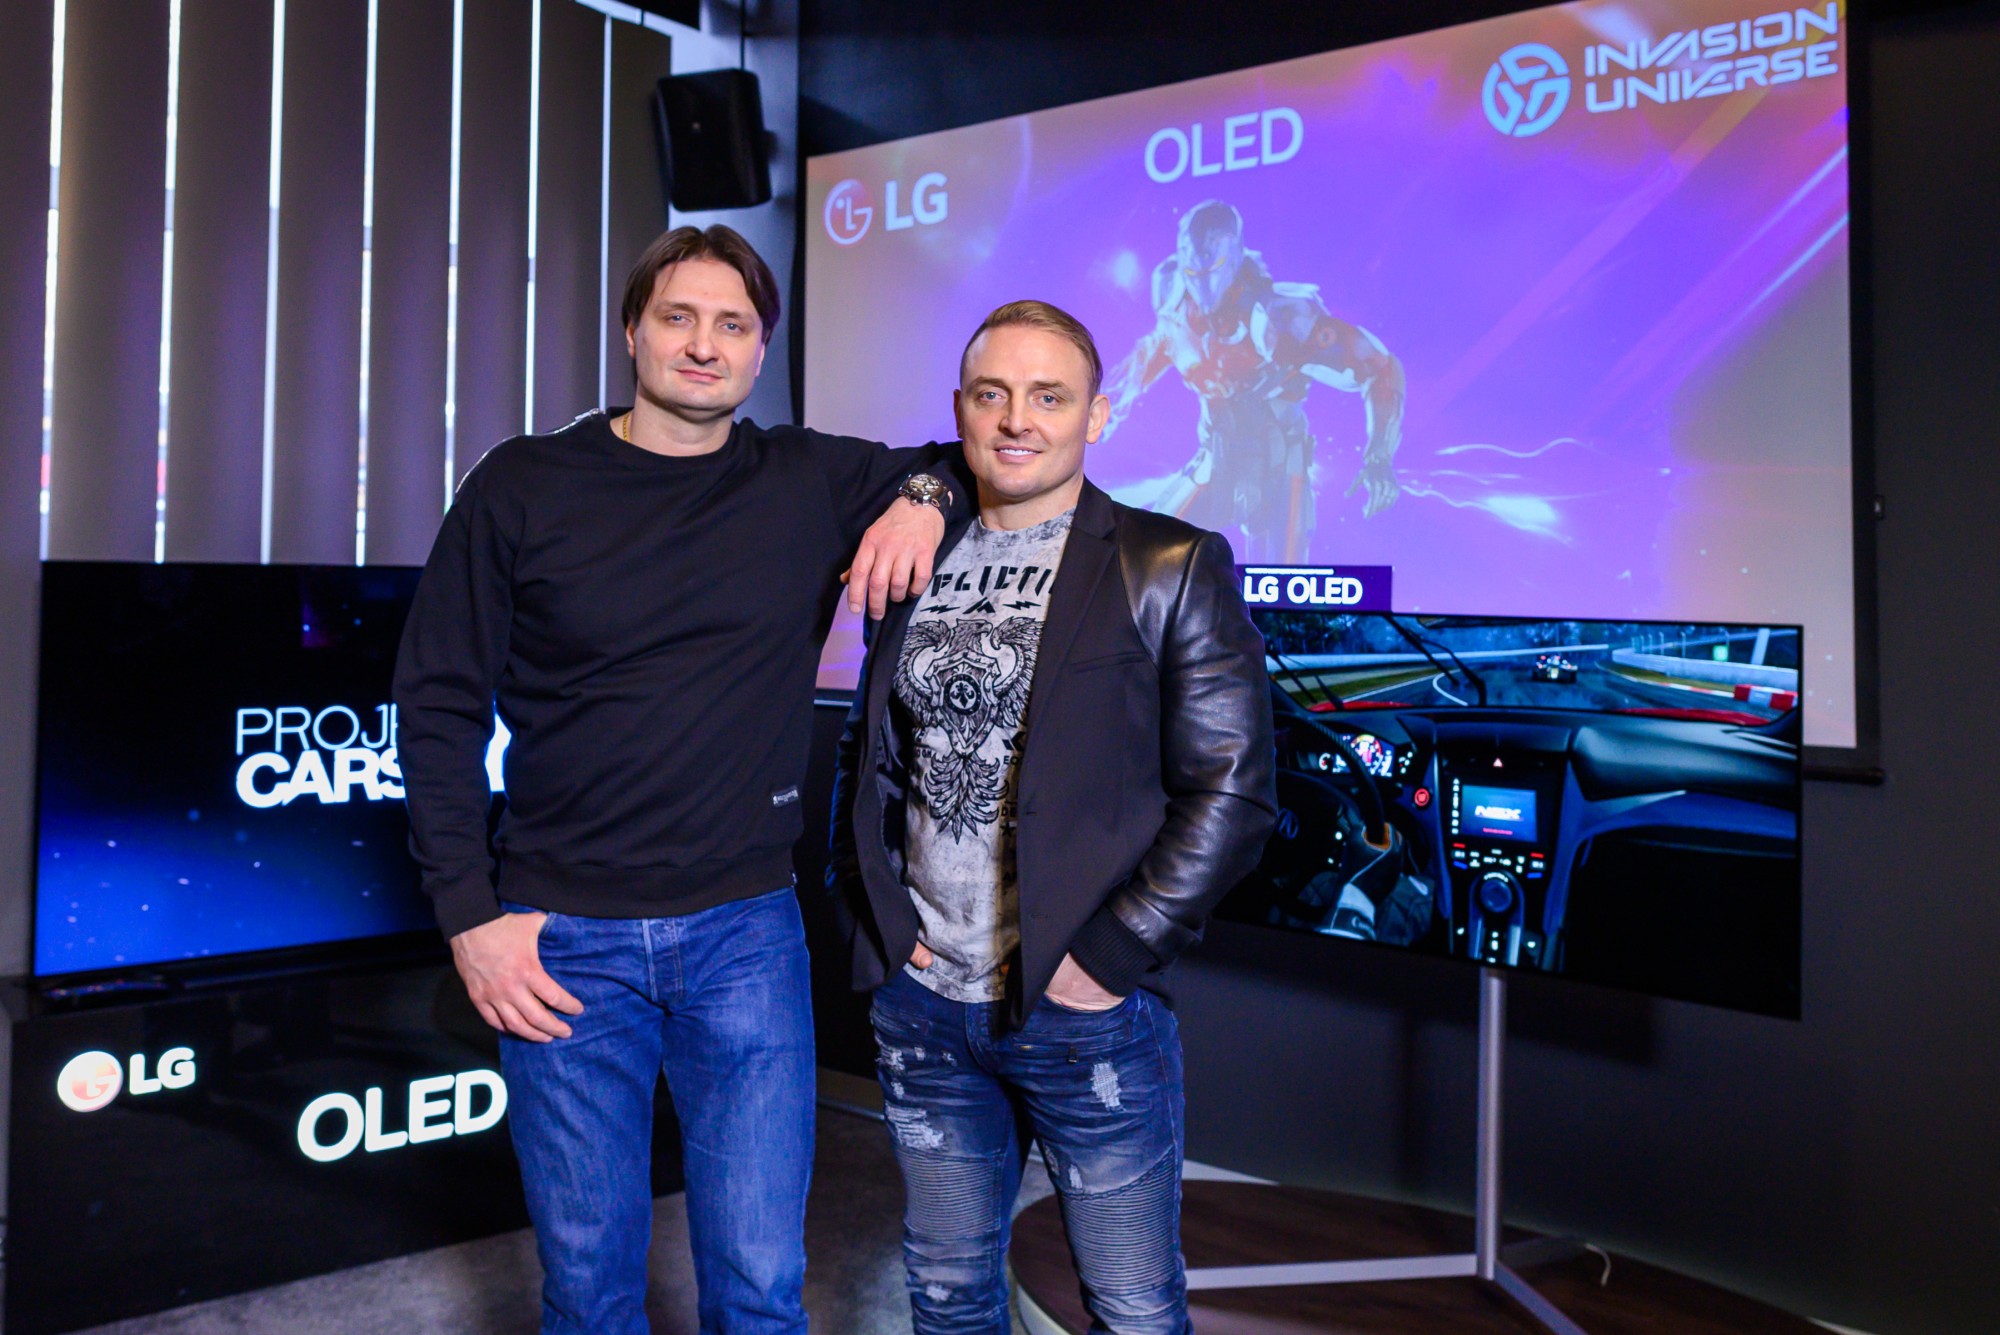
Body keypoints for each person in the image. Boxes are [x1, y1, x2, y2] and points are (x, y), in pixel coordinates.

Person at [394, 223, 964, 1335]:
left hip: (744, 933)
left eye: (732, 326)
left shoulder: (805, 477)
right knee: (588, 1290)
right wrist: (468, 919)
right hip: (557, 941)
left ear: (759, 352)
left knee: (759, 1286)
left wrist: (921, 501)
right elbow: (437, 702)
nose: (704, 345)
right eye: (678, 318)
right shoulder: (522, 484)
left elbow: (955, 459)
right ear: (632, 333)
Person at [829, 299, 1277, 1334]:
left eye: (1048, 396)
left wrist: (1111, 954)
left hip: (1086, 1015)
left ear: (1097, 415)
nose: (1017, 420)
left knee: (1130, 1309)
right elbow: (871, 756)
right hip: (924, 1007)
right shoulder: (915, 554)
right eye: (992, 395)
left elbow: (1234, 791)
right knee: (947, 1298)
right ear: (960, 409)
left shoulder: (1166, 562)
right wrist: (879, 921)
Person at [1102, 199, 1406, 560]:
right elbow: (1155, 348)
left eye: (1211, 264)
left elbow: (1378, 367)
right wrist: (1106, 408)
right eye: (1192, 266)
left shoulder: (1280, 316)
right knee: (1140, 557)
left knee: (1283, 582)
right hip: (1216, 458)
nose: (1201, 279)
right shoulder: (1172, 292)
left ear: (1233, 257)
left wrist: (1378, 456)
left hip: (1278, 468)